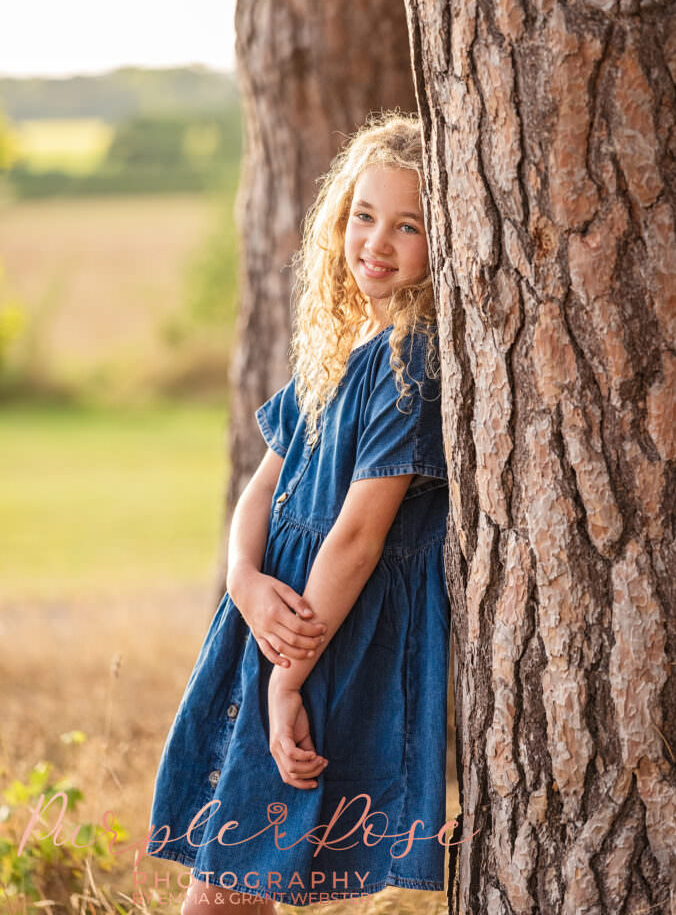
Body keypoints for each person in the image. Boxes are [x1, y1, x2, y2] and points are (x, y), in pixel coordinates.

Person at [145, 112, 452, 913]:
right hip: (273, 623)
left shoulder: (408, 363)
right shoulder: (347, 350)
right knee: (244, 877)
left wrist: (288, 686)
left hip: (323, 638)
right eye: (362, 216)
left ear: (445, 241)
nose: (375, 243)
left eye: (407, 226)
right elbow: (262, 483)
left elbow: (356, 537)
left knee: (226, 892)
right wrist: (243, 579)